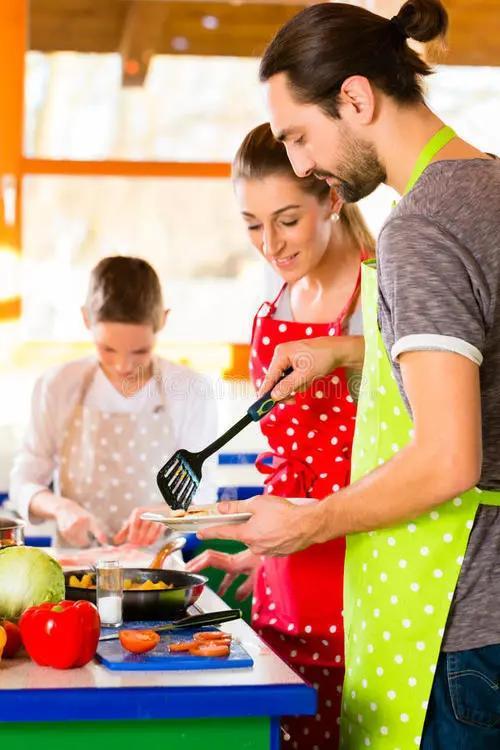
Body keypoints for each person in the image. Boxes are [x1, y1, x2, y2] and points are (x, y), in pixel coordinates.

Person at [197, 2, 500, 748]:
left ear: (357, 99)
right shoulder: (489, 188)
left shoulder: (421, 229)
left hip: (459, 630)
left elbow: (447, 457)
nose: (300, 166)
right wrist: (345, 352)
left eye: (300, 136)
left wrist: (307, 520)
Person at [187, 122, 374, 749]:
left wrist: (347, 351)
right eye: (252, 224)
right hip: (283, 594)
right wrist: (259, 545)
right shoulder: (272, 313)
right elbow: (289, 467)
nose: (270, 243)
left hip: (368, 590)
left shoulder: (386, 290)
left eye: (287, 219)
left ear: (333, 198)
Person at [10, 256, 217, 549]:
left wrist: (166, 514)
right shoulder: (56, 385)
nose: (122, 366)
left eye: (140, 351)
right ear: (85, 319)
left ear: (164, 320)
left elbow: (205, 493)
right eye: (107, 348)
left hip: (159, 576)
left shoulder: (191, 389)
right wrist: (61, 508)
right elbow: (24, 482)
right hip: (73, 573)